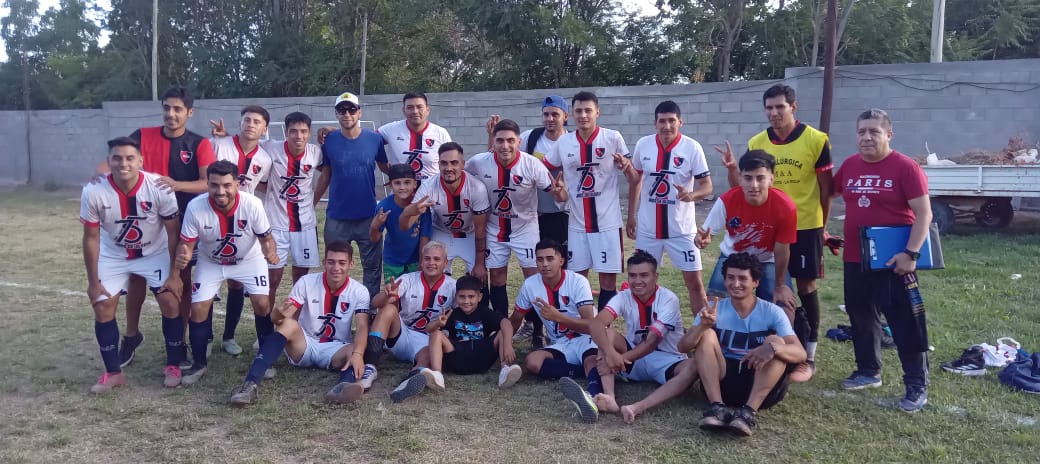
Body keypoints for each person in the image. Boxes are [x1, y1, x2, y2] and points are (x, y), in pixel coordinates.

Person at [717, 83, 833, 381]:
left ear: (793, 107)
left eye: (780, 107)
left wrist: (823, 227)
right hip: (767, 228)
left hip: (806, 224)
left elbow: (826, 189)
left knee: (803, 290)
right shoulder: (758, 141)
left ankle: (806, 356)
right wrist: (732, 170)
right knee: (767, 290)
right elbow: (743, 187)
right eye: (769, 107)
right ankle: (758, 346)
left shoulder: (816, 140)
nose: (774, 113)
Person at [833, 108, 932, 413]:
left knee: (904, 321)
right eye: (861, 131)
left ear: (889, 134)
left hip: (894, 260)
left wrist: (911, 254)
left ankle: (916, 384)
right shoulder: (850, 166)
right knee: (861, 316)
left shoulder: (905, 168)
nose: (866, 137)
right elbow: (828, 193)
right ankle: (868, 371)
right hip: (856, 258)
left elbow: (924, 214)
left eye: (874, 131)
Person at [119, 86, 216, 368]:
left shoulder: (198, 144)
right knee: (135, 278)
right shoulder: (141, 136)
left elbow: (206, 183)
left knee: (181, 281)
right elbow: (120, 161)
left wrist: (176, 184)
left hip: (182, 222)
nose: (171, 114)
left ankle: (179, 339)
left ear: (189, 112)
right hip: (145, 221)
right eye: (167, 108)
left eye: (177, 109)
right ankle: (131, 335)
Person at [80, 137, 184, 392]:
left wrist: (174, 274)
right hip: (114, 254)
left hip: (153, 252)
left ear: (141, 161)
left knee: (170, 299)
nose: (123, 163)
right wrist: (93, 283)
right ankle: (114, 373)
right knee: (103, 306)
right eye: (116, 158)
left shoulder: (159, 188)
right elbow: (91, 238)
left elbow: (173, 233)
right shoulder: (93, 191)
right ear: (108, 161)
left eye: (129, 158)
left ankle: (173, 364)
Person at [166, 160, 280, 385]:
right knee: (198, 307)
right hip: (212, 261)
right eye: (214, 185)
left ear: (237, 184)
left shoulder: (252, 204)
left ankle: (264, 360)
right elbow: (186, 244)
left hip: (249, 259)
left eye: (227, 185)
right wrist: (184, 254)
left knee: (261, 303)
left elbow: (266, 239)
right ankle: (199, 364)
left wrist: (270, 253)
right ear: (207, 184)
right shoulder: (196, 207)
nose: (221, 191)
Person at [229, 241, 377, 406]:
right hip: (305, 345)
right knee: (288, 324)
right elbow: (277, 320)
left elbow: (363, 326)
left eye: (342, 263)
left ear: (351, 264)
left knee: (355, 350)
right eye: (331, 262)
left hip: (336, 349)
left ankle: (343, 388)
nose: (336, 268)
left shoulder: (359, 291)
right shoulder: (306, 282)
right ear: (324, 263)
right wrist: (277, 313)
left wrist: (357, 354)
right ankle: (250, 385)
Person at [679, 252, 806, 437]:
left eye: (742, 278)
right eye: (730, 277)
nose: (735, 283)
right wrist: (702, 327)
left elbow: (800, 353)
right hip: (723, 382)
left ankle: (747, 413)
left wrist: (772, 348)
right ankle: (717, 408)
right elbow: (682, 347)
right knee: (706, 335)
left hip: (761, 383)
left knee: (775, 341)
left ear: (755, 282)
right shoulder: (713, 309)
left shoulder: (772, 312)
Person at [587, 251, 698, 424]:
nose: (637, 281)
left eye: (644, 275)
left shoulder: (669, 299)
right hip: (634, 359)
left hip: (668, 359)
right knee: (606, 335)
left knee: (692, 367)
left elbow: (652, 342)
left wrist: (620, 359)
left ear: (656, 276)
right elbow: (595, 324)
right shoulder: (623, 297)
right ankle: (610, 399)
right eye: (632, 275)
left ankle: (637, 407)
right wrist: (611, 353)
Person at [545, 91, 632, 310]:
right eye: (578, 111)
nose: (583, 115)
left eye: (588, 111)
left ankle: (604, 330)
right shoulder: (564, 143)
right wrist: (555, 190)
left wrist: (627, 167)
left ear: (597, 112)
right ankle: (581, 327)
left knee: (607, 282)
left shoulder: (613, 138)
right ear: (571, 114)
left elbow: (635, 178)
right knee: (577, 279)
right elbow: (543, 167)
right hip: (577, 224)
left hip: (607, 224)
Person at [626, 100, 712, 316]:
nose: (666, 126)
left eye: (671, 121)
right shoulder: (643, 145)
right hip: (648, 231)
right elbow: (636, 180)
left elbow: (707, 186)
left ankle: (701, 337)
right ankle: (644, 331)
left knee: (695, 284)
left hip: (682, 231)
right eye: (662, 121)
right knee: (642, 283)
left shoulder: (692, 147)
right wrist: (631, 217)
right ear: (654, 123)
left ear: (680, 122)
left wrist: (691, 195)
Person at [465, 118, 553, 318]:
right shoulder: (479, 162)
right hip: (495, 227)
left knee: (534, 277)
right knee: (496, 277)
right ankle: (500, 325)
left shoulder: (532, 164)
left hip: (526, 228)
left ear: (518, 142)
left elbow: (556, 192)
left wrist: (561, 193)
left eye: (510, 140)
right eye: (500, 140)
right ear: (493, 142)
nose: (505, 146)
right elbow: (461, 178)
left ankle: (536, 329)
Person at [509, 239, 601, 423]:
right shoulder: (530, 285)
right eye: (540, 259)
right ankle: (584, 373)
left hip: (587, 337)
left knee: (591, 358)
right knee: (532, 362)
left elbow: (590, 325)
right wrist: (502, 343)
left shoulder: (578, 282)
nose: (544, 264)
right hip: (561, 342)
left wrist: (557, 317)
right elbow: (516, 319)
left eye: (550, 258)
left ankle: (592, 397)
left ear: (561, 260)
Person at [388, 275, 521, 402]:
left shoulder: (485, 312)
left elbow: (506, 323)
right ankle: (437, 375)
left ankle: (505, 370)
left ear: (479, 297)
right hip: (458, 357)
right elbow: (428, 329)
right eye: (462, 297)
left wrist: (508, 345)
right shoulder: (453, 313)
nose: (466, 301)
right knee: (436, 334)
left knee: (502, 331)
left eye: (471, 297)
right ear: (456, 297)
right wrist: (438, 324)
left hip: (483, 357)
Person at [208, 105, 274, 356]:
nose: (250, 124)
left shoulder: (264, 159)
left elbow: (261, 187)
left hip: (243, 224)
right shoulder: (220, 145)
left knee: (237, 282)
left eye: (257, 121)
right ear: (240, 123)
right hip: (212, 219)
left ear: (264, 128)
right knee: (209, 283)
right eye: (247, 120)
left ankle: (228, 336)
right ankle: (205, 337)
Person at [697, 150, 798, 311]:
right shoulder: (727, 200)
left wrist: (780, 285)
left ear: (771, 179)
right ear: (740, 179)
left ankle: (779, 336)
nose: (754, 185)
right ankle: (716, 336)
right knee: (713, 306)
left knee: (784, 305)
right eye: (748, 178)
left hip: (768, 259)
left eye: (760, 178)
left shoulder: (785, 206)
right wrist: (703, 240)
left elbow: (782, 250)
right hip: (733, 257)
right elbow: (704, 234)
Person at [314, 92, 390, 300]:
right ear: (336, 114)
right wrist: (310, 203)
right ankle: (334, 308)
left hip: (368, 217)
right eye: (342, 110)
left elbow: (387, 169)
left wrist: (411, 183)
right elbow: (325, 176)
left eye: (351, 109)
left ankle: (369, 310)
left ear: (359, 112)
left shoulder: (374, 140)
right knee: (335, 269)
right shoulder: (329, 141)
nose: (347, 114)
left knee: (372, 269)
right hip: (337, 218)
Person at [365, 242, 457, 400]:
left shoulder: (453, 286)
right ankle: (370, 366)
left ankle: (410, 379)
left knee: (430, 353)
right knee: (388, 309)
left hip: (430, 339)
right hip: (403, 334)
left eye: (437, 259)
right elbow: (375, 303)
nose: (431, 263)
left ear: (445, 263)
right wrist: (387, 295)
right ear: (421, 261)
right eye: (427, 258)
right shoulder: (408, 279)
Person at [256, 112, 322, 313]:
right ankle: (265, 329)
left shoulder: (316, 152)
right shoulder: (270, 148)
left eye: (303, 131)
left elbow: (327, 172)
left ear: (309, 133)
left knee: (301, 279)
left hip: (305, 226)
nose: (298, 136)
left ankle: (296, 323)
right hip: (275, 225)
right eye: (293, 131)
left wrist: (315, 198)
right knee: (272, 278)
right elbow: (245, 149)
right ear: (286, 132)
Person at [399, 143, 489, 281]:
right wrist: (407, 212)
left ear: (463, 164)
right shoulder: (429, 186)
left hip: (470, 233)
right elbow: (405, 226)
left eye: (454, 163)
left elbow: (480, 229)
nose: (449, 168)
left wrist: (480, 263)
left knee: (479, 280)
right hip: (442, 231)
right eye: (444, 163)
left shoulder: (476, 188)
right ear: (438, 164)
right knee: (432, 276)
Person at [371, 164, 432, 283]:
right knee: (393, 295)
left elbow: (425, 237)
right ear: (390, 186)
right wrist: (375, 225)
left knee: (414, 296)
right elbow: (374, 238)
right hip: (392, 260)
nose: (402, 187)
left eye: (407, 182)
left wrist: (422, 262)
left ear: (415, 184)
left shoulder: (421, 206)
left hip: (415, 260)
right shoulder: (384, 206)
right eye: (397, 183)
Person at [378, 91, 452, 182]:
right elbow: (370, 142)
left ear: (428, 110)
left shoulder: (441, 133)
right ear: (404, 111)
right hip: (401, 193)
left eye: (419, 107)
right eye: (410, 107)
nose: (415, 111)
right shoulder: (390, 130)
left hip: (432, 193)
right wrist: (383, 165)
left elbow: (452, 162)